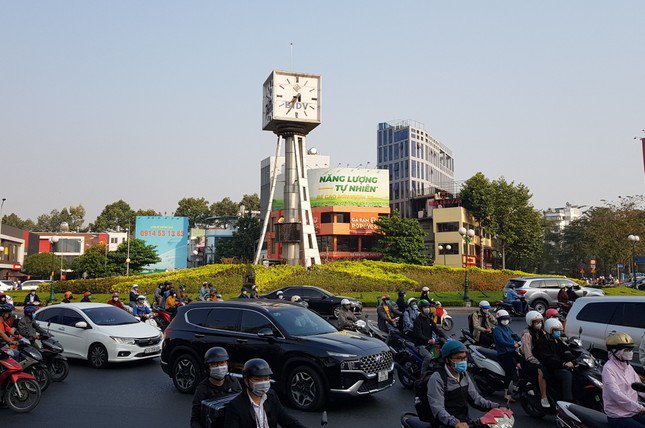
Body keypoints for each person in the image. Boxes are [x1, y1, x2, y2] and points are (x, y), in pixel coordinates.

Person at [427, 341, 500, 427]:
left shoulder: (463, 374)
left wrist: (497, 407)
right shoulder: (437, 378)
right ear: (447, 359)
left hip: (464, 421)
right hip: (445, 424)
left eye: (464, 358)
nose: (462, 361)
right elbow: (438, 409)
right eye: (458, 358)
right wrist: (455, 423)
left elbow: (476, 399)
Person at [223, 358, 305, 428]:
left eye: (266, 379)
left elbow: (286, 419)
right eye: (258, 379)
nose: (263, 383)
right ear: (246, 381)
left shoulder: (271, 395)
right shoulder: (236, 406)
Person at [190, 347, 242, 428]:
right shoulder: (202, 389)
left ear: (227, 364)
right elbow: (195, 419)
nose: (219, 367)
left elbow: (241, 406)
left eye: (222, 363)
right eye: (214, 364)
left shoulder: (233, 382)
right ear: (208, 368)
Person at [602, 332, 645, 427]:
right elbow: (616, 394)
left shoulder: (628, 367)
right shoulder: (608, 368)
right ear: (615, 351)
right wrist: (639, 407)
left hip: (633, 412)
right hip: (618, 416)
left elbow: (638, 387)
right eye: (626, 350)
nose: (630, 352)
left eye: (631, 349)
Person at [533, 318, 574, 402]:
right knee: (567, 375)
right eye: (556, 330)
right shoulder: (542, 342)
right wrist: (563, 364)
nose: (558, 332)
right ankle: (567, 401)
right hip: (550, 368)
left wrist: (581, 355)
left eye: (559, 330)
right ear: (550, 330)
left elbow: (566, 349)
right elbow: (549, 359)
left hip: (558, 365)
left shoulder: (557, 340)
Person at [521, 311, 550, 408]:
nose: (539, 324)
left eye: (540, 321)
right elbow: (528, 355)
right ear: (530, 323)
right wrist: (540, 362)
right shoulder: (527, 334)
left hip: (539, 358)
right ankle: (544, 397)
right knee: (541, 370)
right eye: (536, 322)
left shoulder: (541, 332)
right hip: (529, 361)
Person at [492, 309, 521, 401]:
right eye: (503, 319)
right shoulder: (497, 330)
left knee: (524, 361)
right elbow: (501, 342)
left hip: (512, 351)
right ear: (499, 320)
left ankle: (518, 385)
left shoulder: (507, 328)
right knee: (510, 371)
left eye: (507, 319)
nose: (505, 321)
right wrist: (513, 344)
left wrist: (522, 339)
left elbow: (514, 335)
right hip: (504, 353)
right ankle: (506, 393)